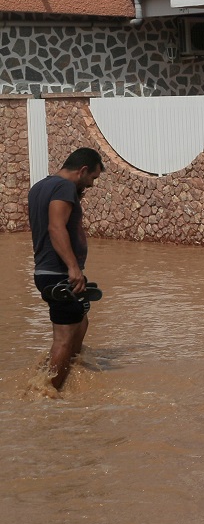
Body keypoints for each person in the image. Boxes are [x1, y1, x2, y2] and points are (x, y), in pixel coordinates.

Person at [28, 147, 105, 391]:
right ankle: (49, 394)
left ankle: (58, 374)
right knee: (63, 338)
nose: (92, 184)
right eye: (92, 178)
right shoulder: (64, 187)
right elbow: (55, 227)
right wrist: (73, 267)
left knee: (80, 321)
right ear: (82, 170)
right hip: (59, 273)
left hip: (47, 271)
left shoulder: (40, 186)